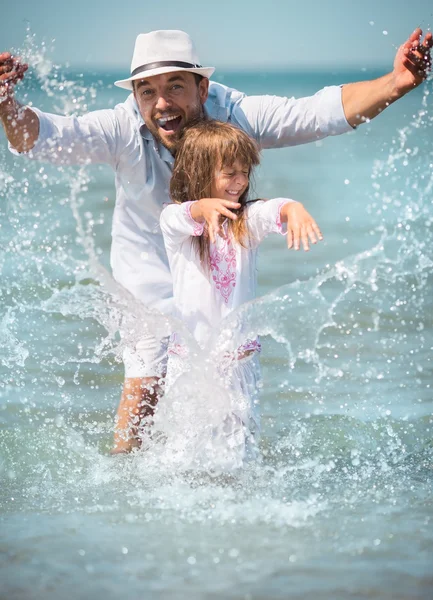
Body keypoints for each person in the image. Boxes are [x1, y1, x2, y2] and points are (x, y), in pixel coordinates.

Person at [0, 29, 431, 454]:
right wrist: (5, 103)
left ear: (202, 88)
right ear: (134, 96)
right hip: (146, 271)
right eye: (146, 91)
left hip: (214, 281)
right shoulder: (121, 126)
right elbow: (42, 138)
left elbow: (316, 113)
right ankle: (124, 482)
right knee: (145, 389)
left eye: (174, 86)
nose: (162, 104)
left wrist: (395, 83)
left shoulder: (234, 115)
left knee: (231, 388)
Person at [159, 119, 322, 467]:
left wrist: (291, 208)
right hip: (190, 361)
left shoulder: (245, 221)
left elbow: (270, 208)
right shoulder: (175, 223)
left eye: (244, 172)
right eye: (229, 172)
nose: (240, 182)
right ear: (200, 172)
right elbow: (182, 215)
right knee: (181, 456)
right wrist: (202, 207)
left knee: (237, 458)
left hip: (239, 363)